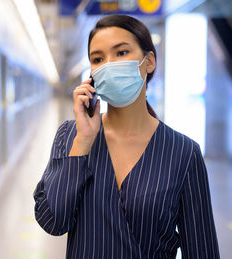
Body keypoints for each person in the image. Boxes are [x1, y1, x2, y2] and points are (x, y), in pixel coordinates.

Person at [33, 14, 220, 258]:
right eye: (98, 59)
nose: (109, 65)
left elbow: (202, 249)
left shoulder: (183, 152)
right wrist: (83, 141)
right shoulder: (70, 136)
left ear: (149, 61)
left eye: (121, 53)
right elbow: (53, 221)